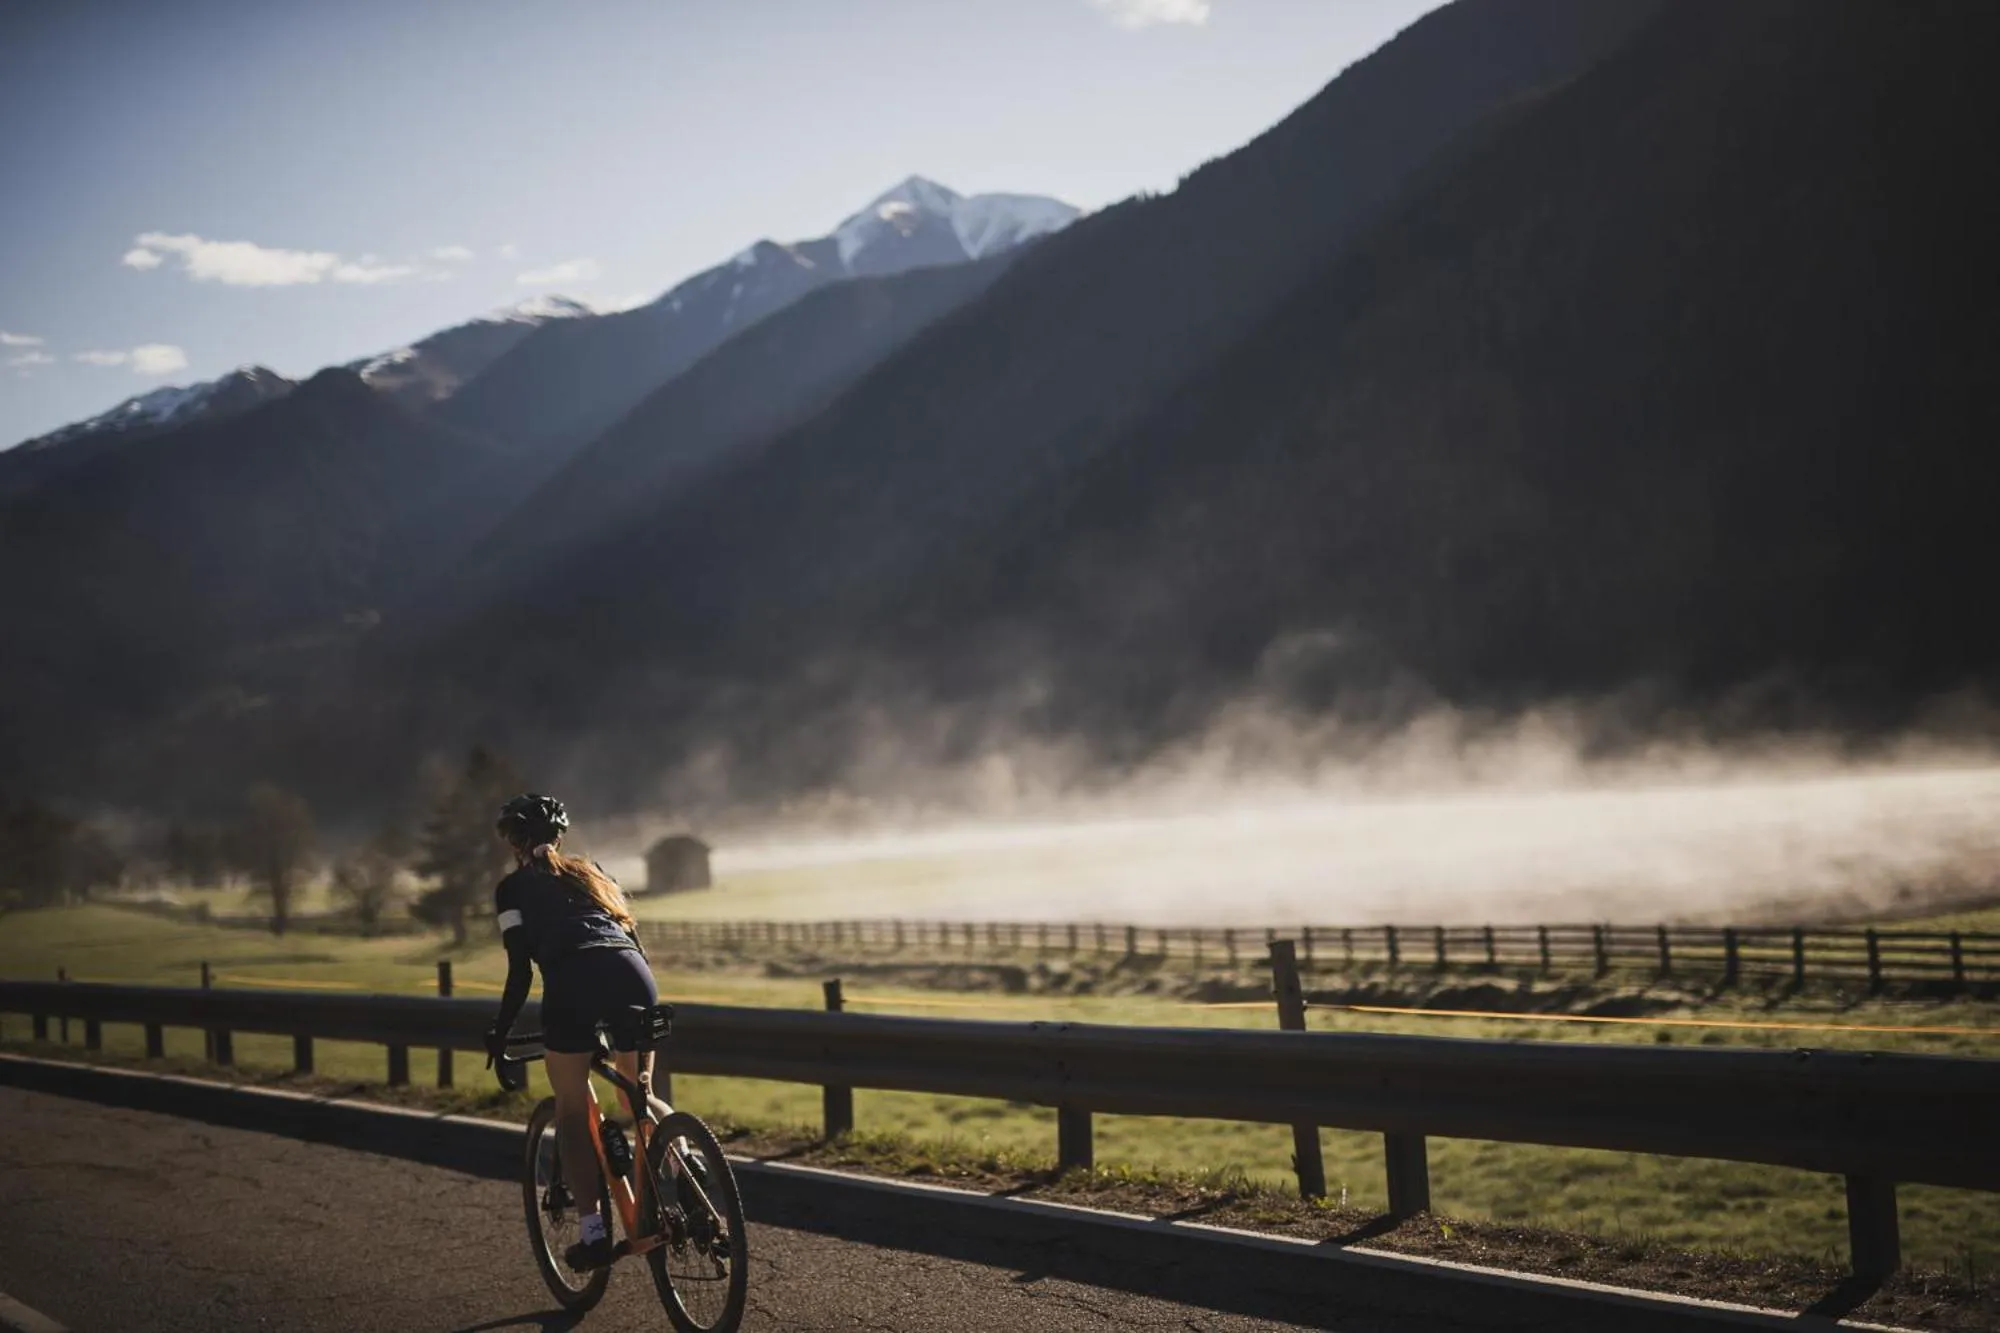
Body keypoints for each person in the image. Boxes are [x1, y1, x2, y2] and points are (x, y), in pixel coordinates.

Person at [483, 793, 657, 1273]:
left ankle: (595, 1234)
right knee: (637, 1096)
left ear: (514, 843)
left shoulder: (512, 890)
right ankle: (685, 1159)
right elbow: (632, 940)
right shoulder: (595, 871)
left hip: (573, 983)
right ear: (560, 836)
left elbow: (520, 969)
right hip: (632, 973)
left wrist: (500, 1032)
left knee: (573, 1111)